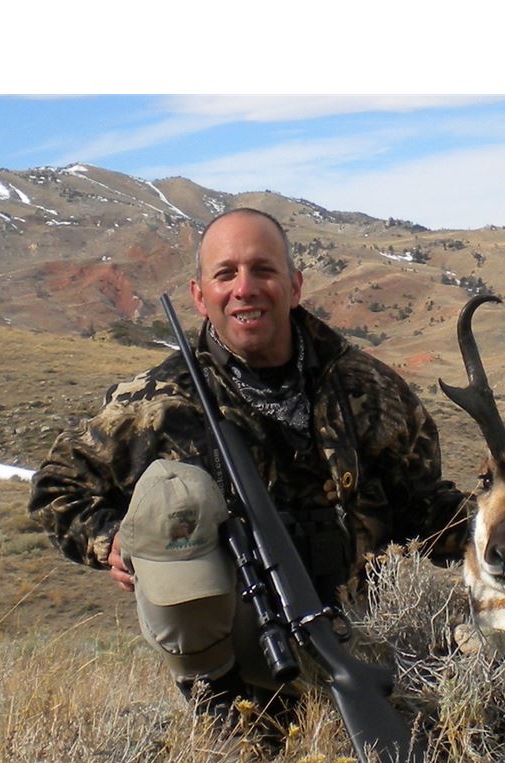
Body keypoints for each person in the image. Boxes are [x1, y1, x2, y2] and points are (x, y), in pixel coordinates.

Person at [29, 207, 470, 726]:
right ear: (199, 295)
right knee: (183, 495)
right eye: (226, 274)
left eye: (263, 270)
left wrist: (503, 525)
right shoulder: (156, 401)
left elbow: (421, 508)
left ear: (295, 285)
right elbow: (56, 488)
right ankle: (231, 719)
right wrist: (112, 541)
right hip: (240, 667)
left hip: (368, 638)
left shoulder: (370, 389)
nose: (245, 288)